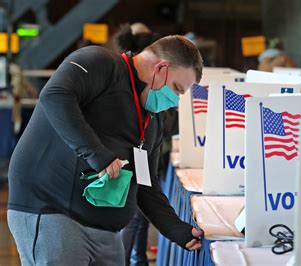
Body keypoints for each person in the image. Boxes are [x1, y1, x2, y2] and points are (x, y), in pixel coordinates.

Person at [7, 35, 203, 265]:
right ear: (161, 68)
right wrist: (98, 154)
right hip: (52, 209)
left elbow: (146, 183)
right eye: (176, 89)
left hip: (105, 230)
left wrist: (177, 230)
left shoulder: (151, 122)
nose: (175, 100)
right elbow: (55, 95)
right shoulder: (100, 63)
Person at [114, 23, 160, 266]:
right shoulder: (135, 83)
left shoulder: (125, 75)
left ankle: (137, 259)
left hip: (133, 157)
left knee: (138, 218)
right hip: (131, 158)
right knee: (133, 218)